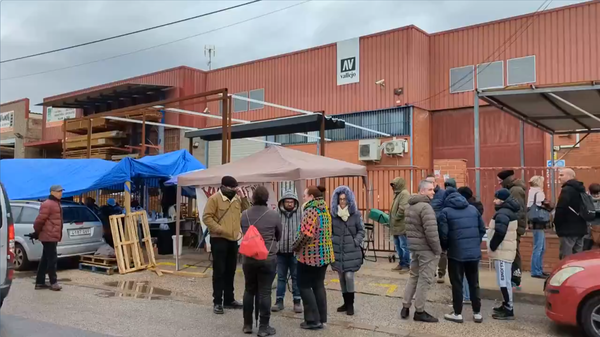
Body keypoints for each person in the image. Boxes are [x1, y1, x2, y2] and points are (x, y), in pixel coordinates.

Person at [203, 176, 250, 314]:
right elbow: (207, 217)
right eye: (232, 188)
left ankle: (229, 299)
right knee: (219, 271)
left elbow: (247, 211)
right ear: (223, 187)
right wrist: (220, 229)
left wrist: (243, 197)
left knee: (231, 270)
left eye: (236, 188)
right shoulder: (214, 199)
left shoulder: (236, 198)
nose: (234, 190)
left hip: (233, 240)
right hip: (219, 239)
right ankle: (217, 301)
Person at [438, 187, 486, 324]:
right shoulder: (473, 209)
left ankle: (457, 313)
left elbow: (444, 235)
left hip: (456, 254)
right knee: (474, 282)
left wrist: (446, 247)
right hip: (473, 253)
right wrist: (475, 243)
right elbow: (482, 229)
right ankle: (477, 313)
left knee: (457, 283)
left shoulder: (445, 212)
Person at [240, 186, 281, 336]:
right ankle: (264, 327)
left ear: (253, 198)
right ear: (266, 198)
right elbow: (279, 235)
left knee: (249, 289)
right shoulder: (274, 215)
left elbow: (245, 232)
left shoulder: (244, 215)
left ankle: (247, 324)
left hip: (249, 258)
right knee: (265, 292)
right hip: (267, 258)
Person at [292, 186, 334, 330]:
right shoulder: (325, 210)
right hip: (325, 255)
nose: (303, 198)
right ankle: (321, 318)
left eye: (304, 195)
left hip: (310, 256)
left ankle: (312, 319)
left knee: (303, 285)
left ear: (310, 196)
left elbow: (306, 234)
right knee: (318, 285)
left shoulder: (311, 210)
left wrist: (295, 246)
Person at [401, 180, 442, 323]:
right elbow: (431, 233)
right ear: (422, 191)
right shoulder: (426, 208)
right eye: (430, 189)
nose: (433, 192)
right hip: (426, 249)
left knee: (413, 276)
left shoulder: (410, 206)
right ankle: (420, 311)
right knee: (424, 280)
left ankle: (405, 306)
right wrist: (438, 250)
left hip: (415, 247)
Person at [330, 186, 365, 316]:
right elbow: (330, 231)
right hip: (338, 251)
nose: (342, 202)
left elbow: (361, 230)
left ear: (349, 200)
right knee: (341, 277)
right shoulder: (333, 215)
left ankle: (351, 305)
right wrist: (333, 241)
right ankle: (345, 303)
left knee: (349, 276)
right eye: (340, 199)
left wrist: (356, 241)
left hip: (351, 251)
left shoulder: (355, 214)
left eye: (345, 199)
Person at [488, 189, 520, 320]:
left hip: (502, 252)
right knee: (505, 280)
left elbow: (500, 232)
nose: (494, 201)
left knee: (503, 281)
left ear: (502, 200)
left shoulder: (502, 213)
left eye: (496, 199)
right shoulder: (508, 211)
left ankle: (508, 309)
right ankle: (506, 305)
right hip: (506, 251)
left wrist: (492, 245)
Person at [271, 190, 302, 314]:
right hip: (280, 252)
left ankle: (297, 301)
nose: (289, 204)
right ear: (282, 203)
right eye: (287, 201)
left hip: (295, 252)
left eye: (291, 201)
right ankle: (279, 301)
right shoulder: (276, 214)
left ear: (295, 202)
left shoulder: (301, 214)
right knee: (281, 277)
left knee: (296, 277)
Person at [496, 170, 526, 288]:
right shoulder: (513, 189)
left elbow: (517, 209)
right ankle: (513, 276)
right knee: (512, 251)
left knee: (514, 252)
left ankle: (515, 276)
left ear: (505, 180)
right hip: (513, 225)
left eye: (499, 181)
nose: (498, 183)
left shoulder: (515, 190)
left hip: (514, 226)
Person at [33, 185, 65, 291]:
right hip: (48, 236)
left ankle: (40, 282)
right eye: (59, 191)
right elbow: (39, 220)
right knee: (52, 259)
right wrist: (36, 232)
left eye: (61, 191)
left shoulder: (56, 203)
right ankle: (53, 282)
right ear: (52, 192)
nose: (61, 193)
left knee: (45, 259)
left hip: (52, 235)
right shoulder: (48, 204)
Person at [456, 186, 484, 304]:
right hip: (474, 245)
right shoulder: (476, 208)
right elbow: (482, 229)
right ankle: (473, 298)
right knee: (473, 275)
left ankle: (466, 296)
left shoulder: (462, 209)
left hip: (461, 246)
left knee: (462, 273)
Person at [554, 168, 588, 259]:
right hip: (581, 228)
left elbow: (561, 209)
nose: (559, 177)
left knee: (566, 258)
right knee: (578, 257)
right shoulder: (581, 189)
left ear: (570, 176)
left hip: (568, 229)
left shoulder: (567, 190)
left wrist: (557, 225)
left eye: (562, 175)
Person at [431, 178, 457, 284]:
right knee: (430, 251)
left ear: (436, 182)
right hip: (430, 227)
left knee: (442, 251)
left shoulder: (443, 193)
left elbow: (446, 209)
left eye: (432, 182)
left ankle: (441, 273)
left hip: (441, 227)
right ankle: (431, 272)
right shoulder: (425, 195)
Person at [527, 176, 549, 278]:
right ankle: (536, 271)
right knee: (539, 247)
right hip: (539, 221)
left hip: (534, 221)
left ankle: (538, 269)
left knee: (540, 246)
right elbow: (544, 205)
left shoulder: (531, 192)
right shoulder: (539, 193)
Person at [390, 177, 410, 272]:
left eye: (394, 184)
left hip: (402, 225)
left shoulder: (404, 194)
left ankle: (406, 264)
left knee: (404, 246)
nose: (393, 187)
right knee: (398, 246)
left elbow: (403, 208)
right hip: (396, 226)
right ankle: (401, 263)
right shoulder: (398, 194)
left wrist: (396, 218)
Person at [584, 183, 600, 251]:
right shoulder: (586, 200)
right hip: (589, 228)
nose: (596, 195)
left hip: (598, 228)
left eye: (598, 193)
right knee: (586, 248)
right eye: (594, 193)